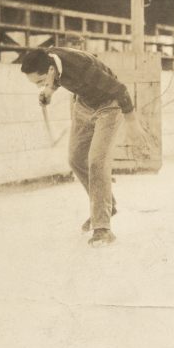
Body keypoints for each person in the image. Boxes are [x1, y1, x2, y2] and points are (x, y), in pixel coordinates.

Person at [20, 46, 136, 247]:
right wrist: (48, 89)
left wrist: (132, 120)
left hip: (109, 106)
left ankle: (102, 228)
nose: (38, 86)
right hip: (83, 105)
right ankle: (109, 205)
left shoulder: (83, 67)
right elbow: (58, 75)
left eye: (40, 81)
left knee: (97, 161)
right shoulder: (49, 60)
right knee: (75, 158)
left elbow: (120, 90)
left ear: (49, 70)